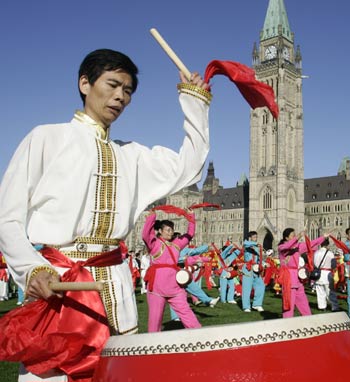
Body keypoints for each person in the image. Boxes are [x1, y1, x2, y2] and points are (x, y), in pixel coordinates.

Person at [0, 48, 211, 381]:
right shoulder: (46, 138)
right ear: (85, 83)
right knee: (52, 375)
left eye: (127, 91)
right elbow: (7, 217)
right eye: (112, 85)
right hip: (59, 282)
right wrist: (31, 270)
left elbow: (188, 168)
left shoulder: (132, 155)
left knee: (117, 373)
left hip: (116, 287)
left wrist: (194, 102)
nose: (120, 97)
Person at [142, 212, 201, 332]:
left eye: (172, 230)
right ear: (160, 231)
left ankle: (198, 334)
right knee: (155, 319)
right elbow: (145, 235)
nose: (170, 232)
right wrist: (151, 218)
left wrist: (191, 217)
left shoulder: (176, 244)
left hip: (174, 287)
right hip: (157, 287)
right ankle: (152, 344)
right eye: (168, 230)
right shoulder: (154, 244)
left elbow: (190, 234)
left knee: (186, 312)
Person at [278, 228, 328, 318]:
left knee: (303, 302)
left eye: (295, 234)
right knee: (289, 302)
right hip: (288, 278)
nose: (294, 236)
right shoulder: (282, 247)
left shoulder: (297, 247)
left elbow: (311, 244)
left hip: (297, 278)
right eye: (292, 235)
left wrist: (323, 237)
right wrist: (298, 236)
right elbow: (288, 246)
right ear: (286, 238)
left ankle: (308, 319)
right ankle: (287, 322)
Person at [242, 231, 265, 312]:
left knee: (261, 286)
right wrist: (255, 244)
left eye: (256, 237)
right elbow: (245, 243)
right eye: (254, 237)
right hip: (248, 268)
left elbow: (259, 259)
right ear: (250, 238)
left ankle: (257, 304)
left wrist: (264, 264)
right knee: (247, 288)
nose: (256, 239)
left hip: (256, 268)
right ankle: (246, 306)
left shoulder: (257, 248)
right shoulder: (247, 245)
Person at [313, 238, 339, 312]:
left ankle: (322, 306)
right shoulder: (330, 253)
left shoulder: (316, 253)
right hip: (327, 273)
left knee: (320, 291)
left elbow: (314, 264)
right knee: (330, 292)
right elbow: (333, 265)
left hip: (318, 274)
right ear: (327, 245)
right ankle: (334, 306)